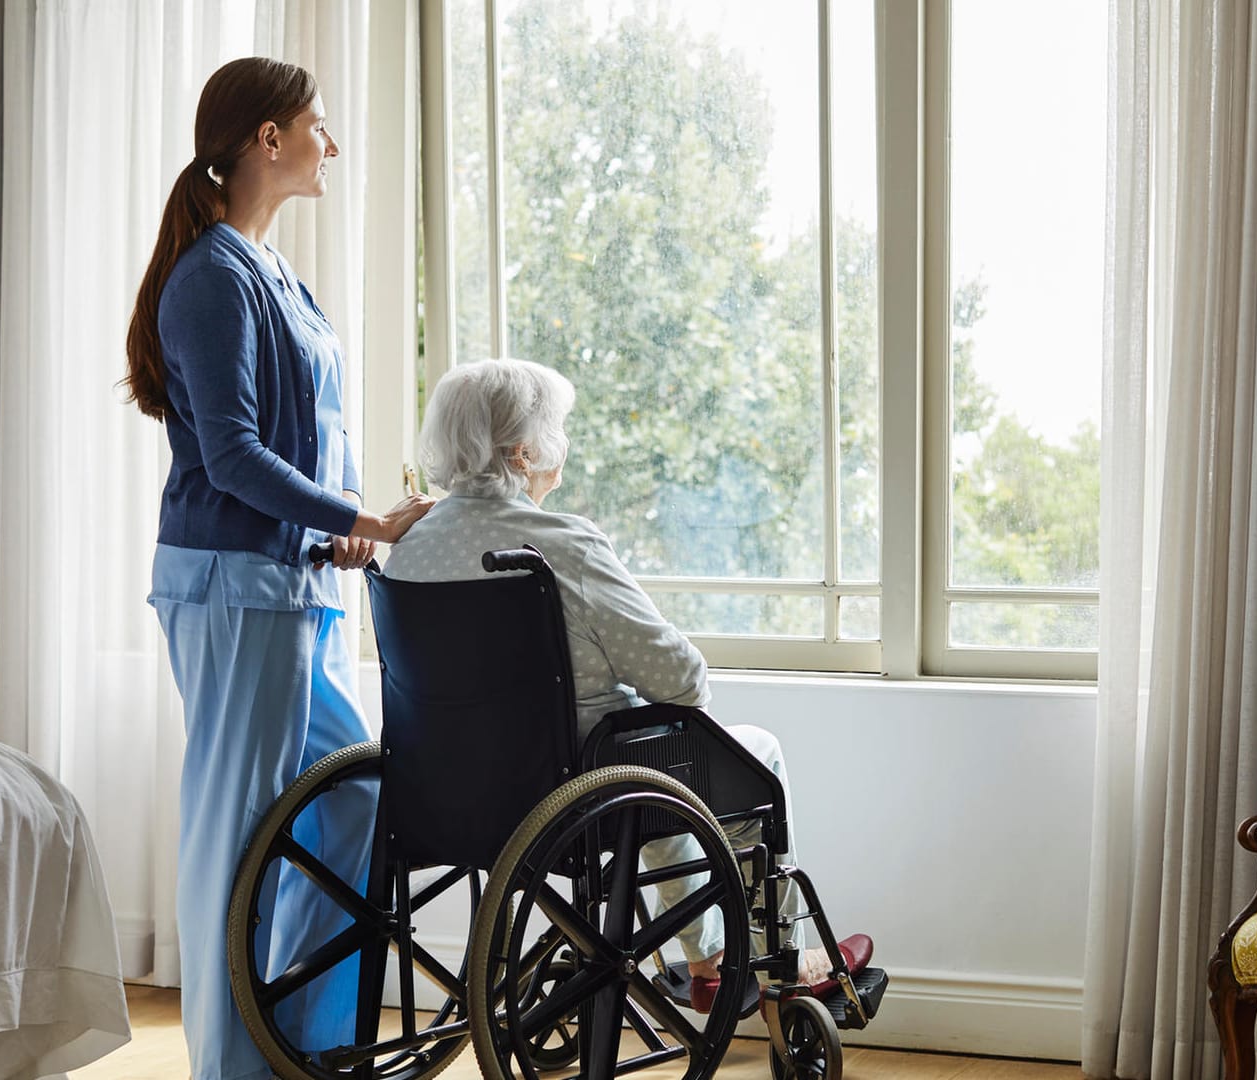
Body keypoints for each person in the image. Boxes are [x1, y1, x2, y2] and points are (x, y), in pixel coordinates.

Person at [383, 358, 870, 1011]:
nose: (562, 444)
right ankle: (741, 959)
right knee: (740, 756)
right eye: (556, 429)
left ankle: (708, 958)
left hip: (444, 789)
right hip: (573, 791)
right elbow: (682, 682)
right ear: (524, 450)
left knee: (646, 748)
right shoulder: (563, 544)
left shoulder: (411, 546)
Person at [123, 57, 433, 1080]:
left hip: (290, 585)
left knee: (354, 799)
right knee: (237, 831)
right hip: (235, 591)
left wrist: (341, 528)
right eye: (317, 127)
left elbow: (304, 440)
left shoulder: (276, 275)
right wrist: (364, 518)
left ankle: (297, 1035)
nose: (329, 147)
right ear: (267, 139)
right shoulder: (210, 276)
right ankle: (229, 1064)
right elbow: (235, 456)